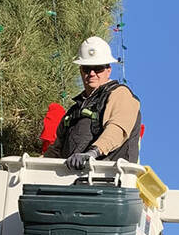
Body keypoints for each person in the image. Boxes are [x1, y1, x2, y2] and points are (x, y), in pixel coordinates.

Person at [46, 36, 141, 169]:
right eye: (86, 68)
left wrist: (93, 152)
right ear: (80, 70)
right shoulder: (74, 111)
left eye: (98, 68)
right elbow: (56, 150)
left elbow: (117, 129)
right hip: (73, 180)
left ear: (108, 70)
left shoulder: (120, 94)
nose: (91, 73)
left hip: (107, 178)